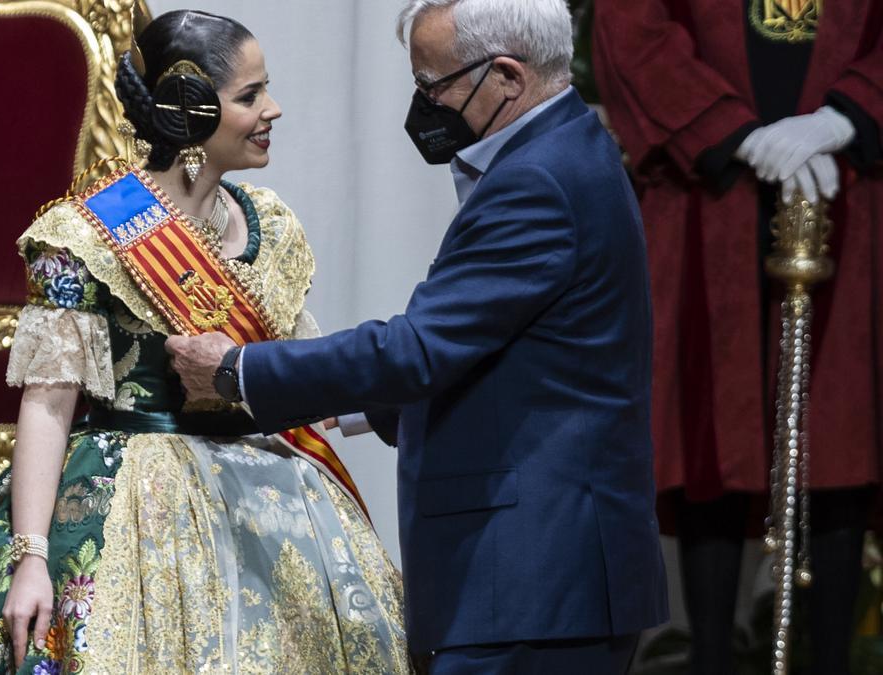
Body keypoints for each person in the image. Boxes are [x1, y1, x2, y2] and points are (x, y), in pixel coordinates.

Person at [0, 10, 409, 675]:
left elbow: (300, 375)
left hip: (271, 491)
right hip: (130, 497)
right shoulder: (87, 235)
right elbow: (48, 403)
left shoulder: (269, 228)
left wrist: (408, 393)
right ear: (191, 112)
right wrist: (31, 555)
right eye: (250, 95)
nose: (272, 109)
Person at [166, 0, 669, 672]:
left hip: (531, 582)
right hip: (546, 578)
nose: (423, 105)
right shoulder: (570, 145)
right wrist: (354, 408)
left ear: (507, 78)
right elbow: (502, 355)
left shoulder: (538, 182)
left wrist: (239, 371)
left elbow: (419, 349)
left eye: (433, 85)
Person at [591, 2, 883, 673]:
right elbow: (633, 26)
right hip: (711, 193)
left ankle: (832, 657)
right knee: (711, 435)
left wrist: (847, 116)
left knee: (842, 434)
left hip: (850, 180)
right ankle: (711, 654)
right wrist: (731, 132)